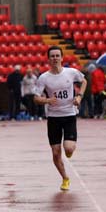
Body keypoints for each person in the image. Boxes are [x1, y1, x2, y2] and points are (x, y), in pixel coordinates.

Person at [33, 46, 86, 191]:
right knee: (56, 152)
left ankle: (69, 150)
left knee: (68, 148)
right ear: (48, 59)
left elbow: (84, 81)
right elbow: (36, 98)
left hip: (69, 114)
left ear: (62, 58)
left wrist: (79, 96)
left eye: (57, 56)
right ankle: (65, 178)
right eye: (52, 56)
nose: (55, 58)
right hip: (53, 118)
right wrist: (47, 100)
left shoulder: (71, 73)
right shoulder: (43, 78)